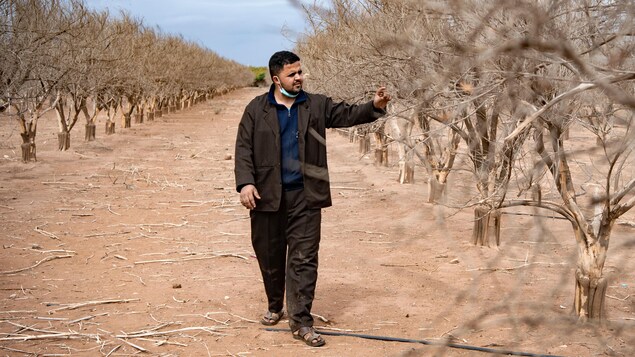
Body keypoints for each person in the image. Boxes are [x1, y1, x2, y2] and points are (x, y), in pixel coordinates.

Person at [234, 50, 391, 347]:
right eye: (293, 74)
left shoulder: (316, 105)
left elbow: (348, 114)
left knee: (304, 260)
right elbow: (243, 149)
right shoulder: (256, 110)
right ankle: (275, 304)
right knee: (270, 257)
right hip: (267, 198)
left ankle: (302, 321)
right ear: (276, 78)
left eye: (300, 72)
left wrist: (374, 106)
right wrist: (245, 184)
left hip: (306, 198)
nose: (299, 78)